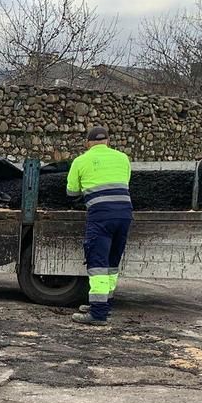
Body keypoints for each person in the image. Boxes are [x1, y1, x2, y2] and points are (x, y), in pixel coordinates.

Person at [67, 126, 132, 326]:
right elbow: (126, 182)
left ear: (87, 143)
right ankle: (105, 304)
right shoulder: (123, 158)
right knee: (112, 263)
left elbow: (71, 191)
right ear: (108, 141)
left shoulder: (81, 161)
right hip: (124, 214)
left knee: (97, 264)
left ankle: (98, 314)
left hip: (101, 217)